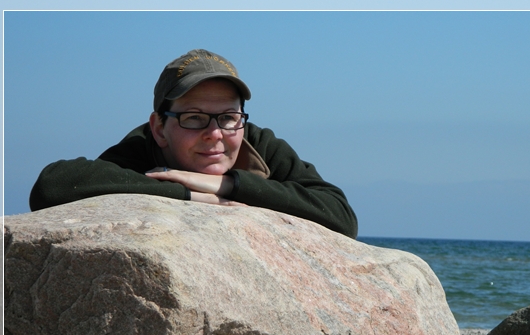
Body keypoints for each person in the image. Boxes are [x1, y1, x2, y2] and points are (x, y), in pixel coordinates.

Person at [29, 49, 358, 238]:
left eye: (228, 117)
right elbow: (52, 186)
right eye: (194, 118)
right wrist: (189, 195)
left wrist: (227, 185)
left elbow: (341, 217)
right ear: (159, 128)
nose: (215, 133)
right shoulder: (141, 147)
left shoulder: (258, 142)